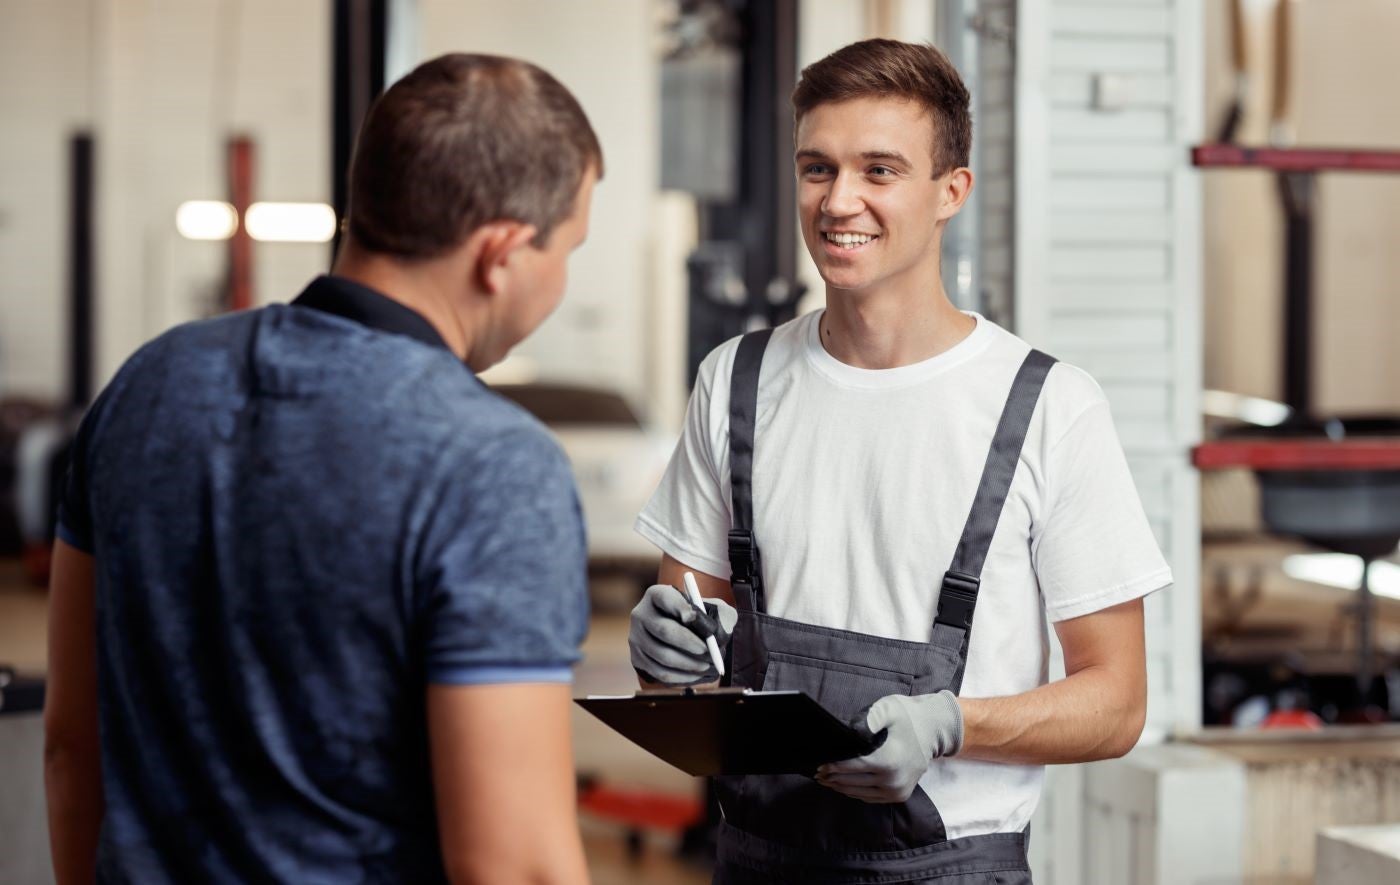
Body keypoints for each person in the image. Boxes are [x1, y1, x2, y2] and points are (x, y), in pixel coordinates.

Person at [44, 53, 600, 884]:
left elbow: (68, 747)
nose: (561, 281)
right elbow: (515, 865)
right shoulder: (492, 465)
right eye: (569, 250)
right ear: (503, 253)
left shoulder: (147, 386)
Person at [627, 38, 1172, 884]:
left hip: (953, 868)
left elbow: (1118, 701)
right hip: (755, 858)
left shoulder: (1048, 407)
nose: (840, 200)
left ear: (952, 190)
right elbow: (690, 658)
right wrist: (666, 655)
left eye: (880, 170)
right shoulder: (733, 381)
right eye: (818, 168)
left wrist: (955, 723)